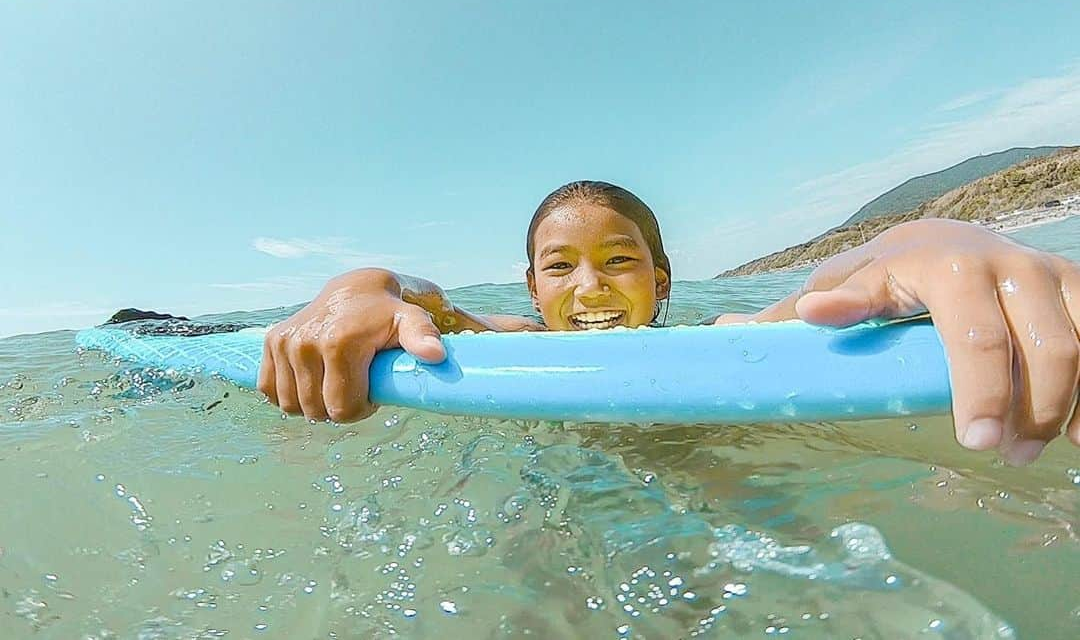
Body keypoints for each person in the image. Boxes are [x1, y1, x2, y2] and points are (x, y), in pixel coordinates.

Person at [257, 180, 1080, 466]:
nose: (589, 289)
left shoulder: (715, 334)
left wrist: (930, 240)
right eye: (559, 267)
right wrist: (365, 282)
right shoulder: (518, 346)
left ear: (660, 281)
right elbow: (427, 304)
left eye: (619, 262)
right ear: (534, 292)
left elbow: (814, 302)